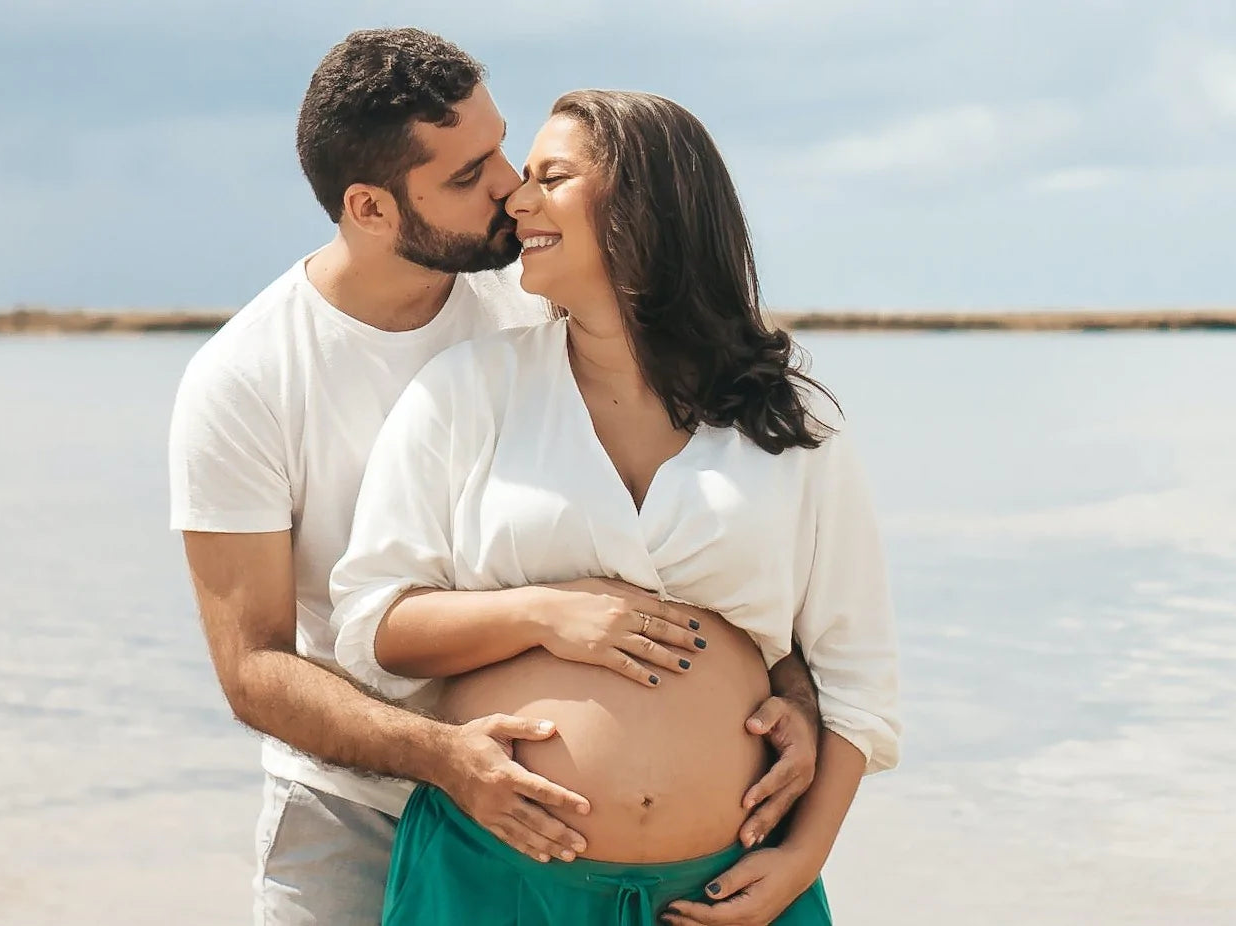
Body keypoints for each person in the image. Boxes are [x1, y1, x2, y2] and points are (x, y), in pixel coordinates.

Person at [168, 30, 826, 924]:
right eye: (468, 174)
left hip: (576, 848)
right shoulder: (245, 379)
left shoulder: (547, 292)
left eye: (503, 147)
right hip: (349, 807)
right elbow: (254, 668)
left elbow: (703, 518)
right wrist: (445, 757)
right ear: (370, 207)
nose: (513, 188)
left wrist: (791, 696)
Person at [329, 89, 902, 926]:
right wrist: (543, 615)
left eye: (551, 177)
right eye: (521, 178)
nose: (516, 201)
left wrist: (798, 862)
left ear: (647, 205)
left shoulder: (791, 420)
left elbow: (858, 677)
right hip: (496, 880)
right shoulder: (469, 390)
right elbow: (373, 627)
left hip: (728, 893)